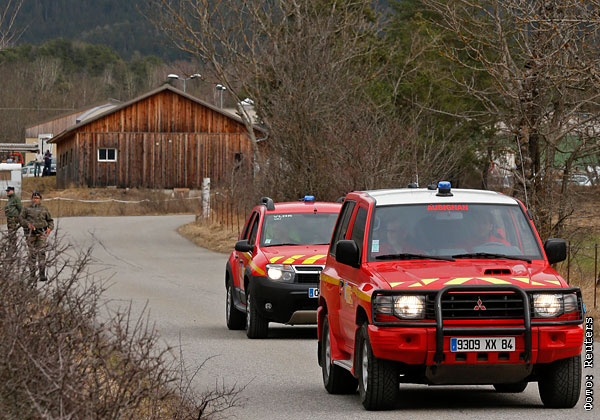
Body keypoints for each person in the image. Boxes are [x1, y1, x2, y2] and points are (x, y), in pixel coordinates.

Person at [20, 191, 54, 282]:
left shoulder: (44, 209)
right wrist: (28, 224)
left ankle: (42, 274)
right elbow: (21, 219)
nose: (35, 200)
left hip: (41, 234)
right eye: (34, 198)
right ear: (31, 199)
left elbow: (50, 220)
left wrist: (49, 228)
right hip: (30, 234)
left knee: (41, 253)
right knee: (32, 254)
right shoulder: (26, 209)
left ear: (40, 199)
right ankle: (32, 274)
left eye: (37, 198)